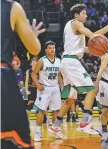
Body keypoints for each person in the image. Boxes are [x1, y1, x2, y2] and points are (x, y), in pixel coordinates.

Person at [48, 4, 108, 139]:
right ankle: (84, 123)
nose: (86, 15)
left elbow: (86, 48)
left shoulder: (73, 29)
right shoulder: (76, 24)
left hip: (67, 61)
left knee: (71, 99)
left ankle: (55, 127)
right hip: (71, 62)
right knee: (92, 89)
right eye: (84, 13)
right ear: (76, 15)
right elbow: (94, 36)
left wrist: (97, 51)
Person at [1, 0, 45, 148]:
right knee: (13, 141)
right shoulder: (12, 7)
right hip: (2, 78)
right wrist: (33, 35)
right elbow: (34, 49)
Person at [32, 41, 63, 142]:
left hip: (55, 88)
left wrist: (62, 86)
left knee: (56, 110)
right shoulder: (42, 61)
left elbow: (58, 75)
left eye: (53, 48)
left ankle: (56, 130)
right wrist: (38, 85)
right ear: (46, 50)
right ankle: (37, 133)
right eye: (50, 48)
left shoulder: (58, 60)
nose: (52, 50)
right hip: (44, 88)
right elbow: (34, 74)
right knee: (41, 111)